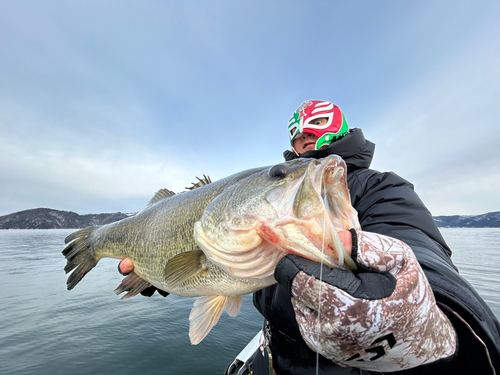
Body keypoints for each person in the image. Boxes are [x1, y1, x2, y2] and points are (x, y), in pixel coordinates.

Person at [120, 100, 500, 374]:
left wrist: (426, 306)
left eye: (314, 125)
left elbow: (417, 250)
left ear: (340, 127)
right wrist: (165, 272)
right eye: (296, 133)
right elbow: (220, 263)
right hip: (276, 359)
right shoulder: (269, 198)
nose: (304, 136)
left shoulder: (381, 188)